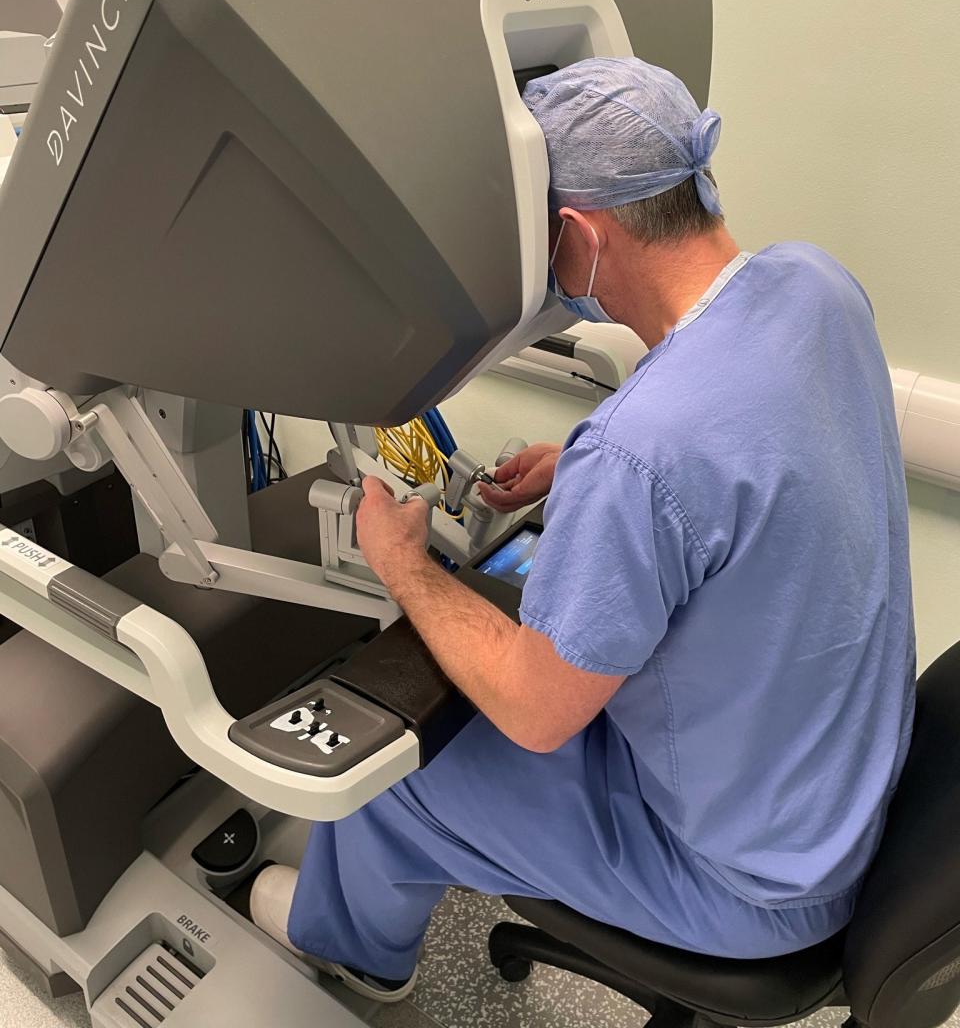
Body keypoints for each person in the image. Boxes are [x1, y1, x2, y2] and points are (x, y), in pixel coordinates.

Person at [250, 57, 916, 1003]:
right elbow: (766, 439)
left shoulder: (644, 453)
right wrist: (590, 461)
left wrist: (403, 565)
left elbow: (535, 709)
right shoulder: (817, 287)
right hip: (839, 794)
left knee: (388, 778)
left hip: (750, 886)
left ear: (571, 234)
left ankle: (351, 954)